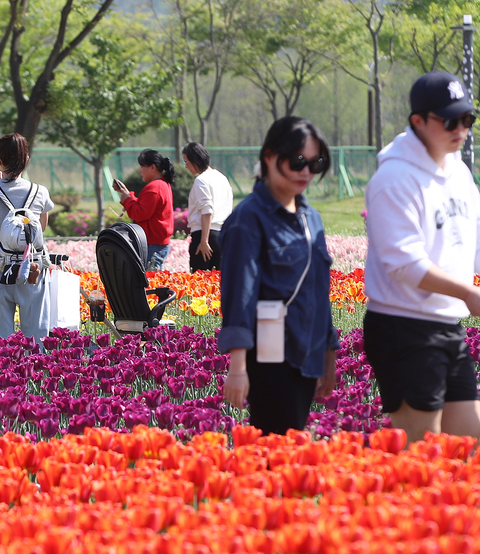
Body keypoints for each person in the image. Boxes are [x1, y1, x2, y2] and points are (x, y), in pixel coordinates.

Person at [363, 71, 480, 445]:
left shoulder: (459, 172)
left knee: (467, 434)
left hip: (447, 324)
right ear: (418, 121)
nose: (461, 129)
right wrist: (466, 292)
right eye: (450, 121)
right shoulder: (393, 178)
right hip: (403, 326)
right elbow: (403, 263)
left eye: (468, 119)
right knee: (421, 445)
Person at [219, 117, 339, 435]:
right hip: (269, 359)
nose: (306, 172)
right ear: (270, 157)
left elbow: (320, 291)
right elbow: (239, 296)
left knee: (292, 446)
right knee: (275, 448)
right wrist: (238, 367)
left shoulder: (311, 218)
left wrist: (328, 355)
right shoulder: (248, 219)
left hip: (307, 353)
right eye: (297, 161)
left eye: (315, 163)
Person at [0, 133, 55, 342]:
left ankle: (0, 364)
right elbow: (41, 228)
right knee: (36, 334)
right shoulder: (40, 191)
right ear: (26, 160)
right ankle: (35, 363)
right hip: (32, 267)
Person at [113, 149, 175, 270]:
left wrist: (127, 200)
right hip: (157, 243)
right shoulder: (162, 184)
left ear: (152, 167)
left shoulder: (154, 187)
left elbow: (139, 213)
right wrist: (127, 195)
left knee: (149, 279)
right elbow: (144, 206)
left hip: (152, 245)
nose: (140, 170)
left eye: (142, 166)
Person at [183, 142, 233, 272]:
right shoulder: (222, 178)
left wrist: (204, 241)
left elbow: (207, 211)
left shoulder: (201, 180)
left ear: (195, 160)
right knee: (218, 280)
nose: (186, 166)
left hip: (204, 234)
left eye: (187, 162)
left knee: (200, 280)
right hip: (222, 235)